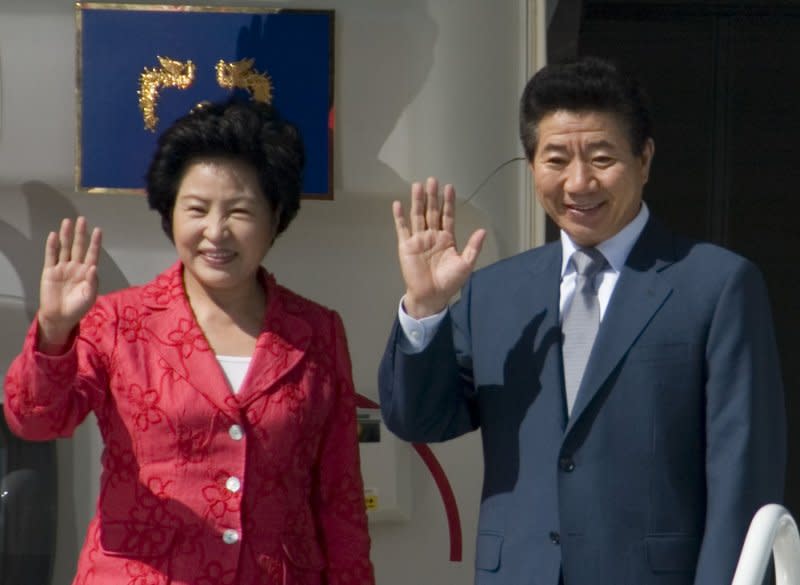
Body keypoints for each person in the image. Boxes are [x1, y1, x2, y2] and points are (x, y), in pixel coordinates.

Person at [378, 57, 785, 585]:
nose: (579, 182)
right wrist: (426, 307)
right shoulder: (495, 291)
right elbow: (420, 420)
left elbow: (743, 476)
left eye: (601, 157)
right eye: (555, 159)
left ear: (644, 159)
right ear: (531, 167)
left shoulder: (717, 284)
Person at [3, 100, 374, 585]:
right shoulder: (119, 320)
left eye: (240, 211)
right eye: (196, 209)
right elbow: (35, 421)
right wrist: (54, 331)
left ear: (275, 216)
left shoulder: (317, 332)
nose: (215, 232)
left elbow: (340, 498)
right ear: (170, 212)